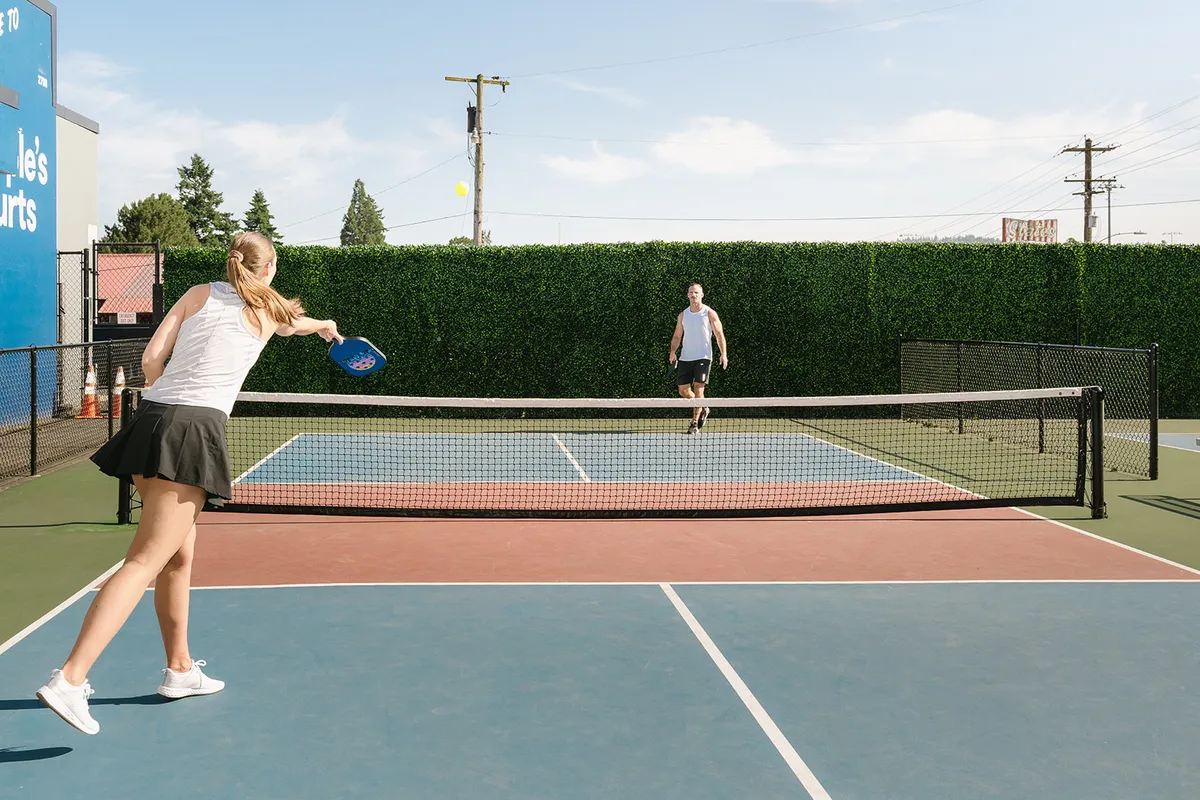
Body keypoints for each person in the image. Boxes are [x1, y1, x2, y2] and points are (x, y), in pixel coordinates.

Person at [36, 232, 343, 735]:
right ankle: (70, 679)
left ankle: (179, 670)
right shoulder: (269, 312)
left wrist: (320, 326)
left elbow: (153, 359)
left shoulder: (198, 293)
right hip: (193, 430)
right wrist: (326, 326)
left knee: (178, 557)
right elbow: (295, 324)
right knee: (143, 561)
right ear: (269, 269)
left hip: (152, 420)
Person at [668, 282, 728, 434]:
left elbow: (719, 334)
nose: (693, 295)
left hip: (704, 357)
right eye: (691, 292)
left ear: (701, 295)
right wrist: (673, 352)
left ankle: (694, 422)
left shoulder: (709, 313)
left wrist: (723, 354)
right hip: (685, 358)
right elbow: (677, 335)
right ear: (687, 295)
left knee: (699, 387)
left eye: (696, 292)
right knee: (683, 390)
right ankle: (703, 407)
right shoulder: (683, 315)